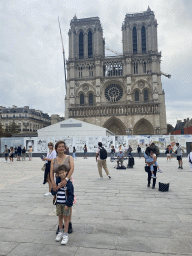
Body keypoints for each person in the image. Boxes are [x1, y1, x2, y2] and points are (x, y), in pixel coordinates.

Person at [50, 140, 74, 234]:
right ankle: (60, 225)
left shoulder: (69, 157)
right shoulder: (54, 160)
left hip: (67, 181)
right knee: (59, 201)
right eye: (59, 146)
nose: (61, 148)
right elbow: (51, 172)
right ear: (56, 148)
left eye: (63, 146)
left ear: (65, 148)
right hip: (57, 181)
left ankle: (69, 223)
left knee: (68, 201)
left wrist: (66, 179)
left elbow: (72, 168)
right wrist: (53, 183)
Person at [52, 165, 74, 245]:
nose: (61, 174)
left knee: (66, 219)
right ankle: (60, 232)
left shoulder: (69, 183)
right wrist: (55, 188)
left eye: (63, 172)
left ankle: (65, 234)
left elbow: (71, 195)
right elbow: (53, 192)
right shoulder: (57, 182)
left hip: (65, 204)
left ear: (66, 173)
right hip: (58, 203)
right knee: (60, 218)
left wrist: (68, 204)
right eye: (60, 173)